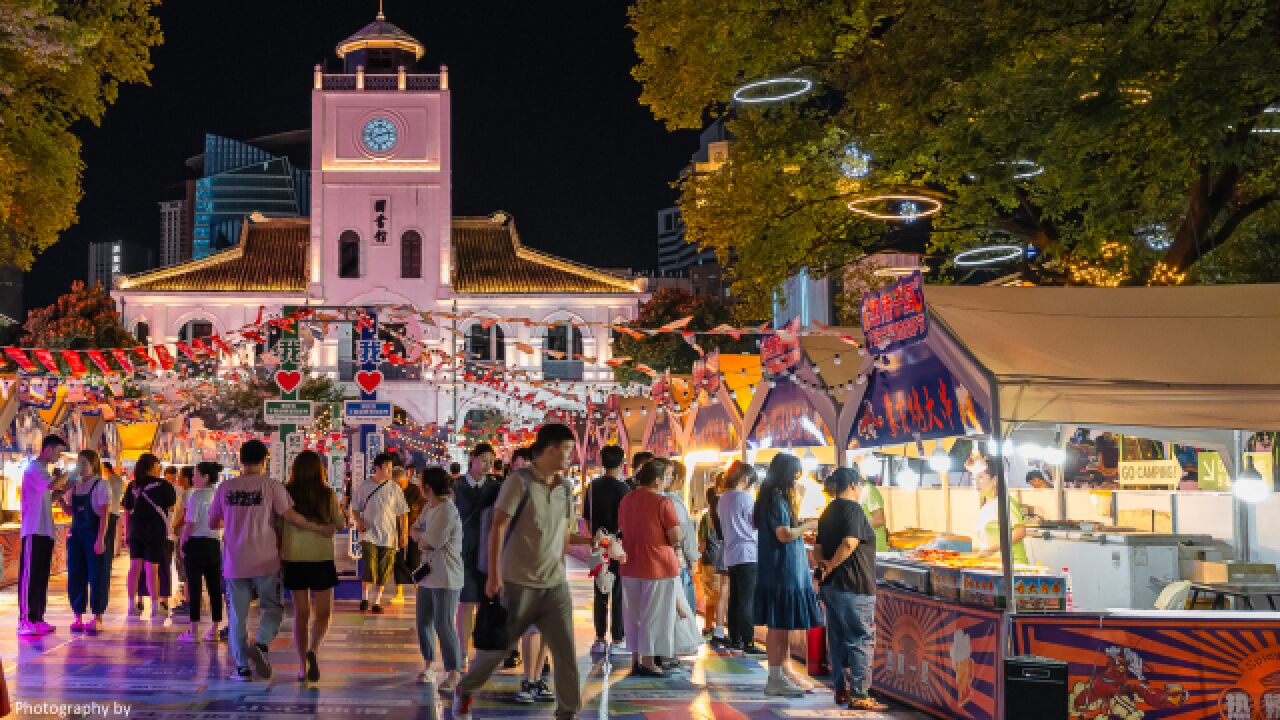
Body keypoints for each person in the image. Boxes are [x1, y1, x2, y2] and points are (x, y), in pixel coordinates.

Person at [453, 424, 592, 720]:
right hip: (518, 585)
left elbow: (565, 535)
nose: (571, 457)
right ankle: (465, 690)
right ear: (551, 449)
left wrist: (596, 542)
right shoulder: (520, 482)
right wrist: (493, 575)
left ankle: (568, 712)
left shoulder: (565, 488)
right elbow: (498, 527)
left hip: (555, 586)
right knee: (496, 652)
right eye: (567, 450)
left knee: (566, 654)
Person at [209, 439, 335, 682]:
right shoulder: (272, 486)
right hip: (266, 561)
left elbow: (213, 523)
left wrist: (236, 520)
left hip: (235, 562)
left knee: (237, 615)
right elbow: (292, 517)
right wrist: (319, 528)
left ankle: (242, 669)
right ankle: (263, 642)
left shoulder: (225, 488)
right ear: (264, 461)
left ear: (240, 460)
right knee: (273, 608)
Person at [815, 467, 888, 711]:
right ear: (854, 486)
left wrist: (824, 566)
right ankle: (859, 693)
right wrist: (833, 565)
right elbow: (849, 543)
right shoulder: (854, 509)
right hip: (854, 586)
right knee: (860, 638)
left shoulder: (828, 511)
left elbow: (817, 548)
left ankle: (841, 690)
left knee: (836, 639)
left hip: (832, 588)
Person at [754, 452, 823, 697]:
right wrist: (808, 526)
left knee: (782, 624)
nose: (797, 480)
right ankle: (775, 677)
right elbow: (783, 534)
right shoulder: (776, 499)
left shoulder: (775, 498)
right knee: (778, 626)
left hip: (784, 570)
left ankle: (783, 670)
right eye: (795, 475)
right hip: (780, 570)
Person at [282, 450, 346, 683]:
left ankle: (302, 665)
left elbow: (279, 525)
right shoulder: (327, 494)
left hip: (294, 558)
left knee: (301, 614)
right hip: (320, 558)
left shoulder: (286, 493)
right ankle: (314, 649)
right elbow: (339, 524)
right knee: (324, 613)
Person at [616, 457, 682, 678]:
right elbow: (675, 536)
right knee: (655, 615)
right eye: (667, 477)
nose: (668, 481)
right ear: (656, 479)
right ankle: (649, 662)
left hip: (630, 563)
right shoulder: (663, 503)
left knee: (633, 614)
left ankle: (636, 658)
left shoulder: (626, 500)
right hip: (658, 566)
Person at [411, 467, 463, 691]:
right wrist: (420, 535)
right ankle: (430, 663)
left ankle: (453, 671)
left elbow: (427, 542)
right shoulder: (429, 507)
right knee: (423, 622)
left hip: (446, 576)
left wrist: (420, 536)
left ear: (428, 488)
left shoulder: (446, 511)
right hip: (428, 575)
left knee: (444, 625)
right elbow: (414, 530)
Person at [453, 443, 499, 664]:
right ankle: (462, 650)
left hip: (488, 552)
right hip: (463, 551)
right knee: (466, 601)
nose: (487, 466)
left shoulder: (496, 487)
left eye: (491, 462)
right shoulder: (456, 486)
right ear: (472, 458)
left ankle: (481, 648)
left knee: (485, 601)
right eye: (484, 460)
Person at [581, 444, 629, 655]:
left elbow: (586, 518)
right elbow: (627, 521)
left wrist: (594, 538)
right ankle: (618, 639)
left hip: (597, 545)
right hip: (617, 545)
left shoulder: (592, 487)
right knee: (618, 591)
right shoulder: (624, 489)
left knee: (599, 588)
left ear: (601, 461)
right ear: (621, 463)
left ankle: (600, 638)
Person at [18, 434, 67, 636]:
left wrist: (66, 488)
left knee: (41, 576)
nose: (59, 455)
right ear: (48, 449)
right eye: (58, 451)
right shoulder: (34, 468)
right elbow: (53, 486)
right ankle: (25, 620)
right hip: (33, 530)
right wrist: (68, 475)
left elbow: (52, 494)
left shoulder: (43, 471)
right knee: (30, 575)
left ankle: (38, 617)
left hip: (45, 530)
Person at [58, 449, 110, 635]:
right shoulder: (74, 485)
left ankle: (97, 617)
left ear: (93, 465)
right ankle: (77, 615)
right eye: (78, 463)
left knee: (97, 576)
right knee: (76, 574)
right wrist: (61, 502)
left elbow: (104, 514)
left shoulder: (101, 485)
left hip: (93, 535)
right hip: (76, 536)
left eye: (84, 463)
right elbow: (72, 512)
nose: (80, 467)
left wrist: (100, 539)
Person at [352, 452, 409, 613]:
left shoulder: (395, 488)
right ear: (377, 468)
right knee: (369, 567)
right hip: (369, 533)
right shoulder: (365, 486)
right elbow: (355, 508)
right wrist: (359, 521)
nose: (390, 472)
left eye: (391, 468)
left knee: (384, 569)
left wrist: (403, 534)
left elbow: (403, 513)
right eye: (387, 468)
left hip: (389, 536)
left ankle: (376, 601)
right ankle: (364, 598)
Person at [719, 461, 764, 656]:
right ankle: (748, 641)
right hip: (748, 552)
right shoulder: (746, 498)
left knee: (735, 598)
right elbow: (756, 523)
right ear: (745, 479)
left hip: (731, 553)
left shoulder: (723, 498)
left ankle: (735, 638)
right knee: (746, 599)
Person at [123, 454, 176, 620]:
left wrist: (127, 532)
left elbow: (126, 511)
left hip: (136, 530)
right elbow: (171, 507)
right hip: (155, 531)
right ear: (153, 465)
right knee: (152, 569)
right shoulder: (163, 485)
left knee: (134, 568)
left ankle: (132, 605)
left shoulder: (133, 486)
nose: (159, 468)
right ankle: (155, 606)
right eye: (158, 465)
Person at [177, 461, 224, 644]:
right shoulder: (219, 495)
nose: (193, 478)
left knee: (194, 587)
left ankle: (194, 631)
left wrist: (182, 542)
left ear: (205, 477)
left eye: (196, 475)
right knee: (214, 588)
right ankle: (215, 630)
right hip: (213, 545)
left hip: (196, 544)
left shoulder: (196, 496)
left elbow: (190, 524)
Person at [973, 454, 1029, 564]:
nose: (976, 484)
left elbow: (1020, 532)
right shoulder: (986, 506)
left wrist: (991, 549)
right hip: (995, 565)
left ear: (994, 480)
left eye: (980, 478)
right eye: (974, 478)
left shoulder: (1005, 502)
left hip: (1013, 566)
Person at [697, 482, 730, 648]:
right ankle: (717, 629)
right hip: (721, 562)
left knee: (711, 598)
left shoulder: (706, 517)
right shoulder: (724, 516)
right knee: (719, 598)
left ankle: (708, 628)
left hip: (708, 561)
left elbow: (701, 544)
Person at [665, 461, 699, 618]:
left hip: (666, 562)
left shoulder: (659, 500)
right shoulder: (674, 503)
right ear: (676, 477)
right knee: (685, 608)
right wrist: (692, 559)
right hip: (679, 562)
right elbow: (683, 535)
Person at [392, 466, 426, 605]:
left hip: (414, 529)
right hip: (395, 529)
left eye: (403, 483)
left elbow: (422, 509)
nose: (401, 486)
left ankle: (418, 589)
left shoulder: (415, 490)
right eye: (398, 484)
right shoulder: (390, 491)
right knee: (397, 560)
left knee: (415, 560)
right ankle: (399, 593)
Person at [100, 460, 125, 613]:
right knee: (110, 538)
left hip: (109, 513)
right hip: (115, 512)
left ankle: (106, 561)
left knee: (106, 538)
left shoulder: (108, 481)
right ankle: (108, 560)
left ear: (105, 468)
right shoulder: (119, 480)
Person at [860, 474, 889, 552]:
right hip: (866, 546)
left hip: (875, 547)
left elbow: (879, 520)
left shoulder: (869, 490)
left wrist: (855, 527)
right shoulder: (860, 491)